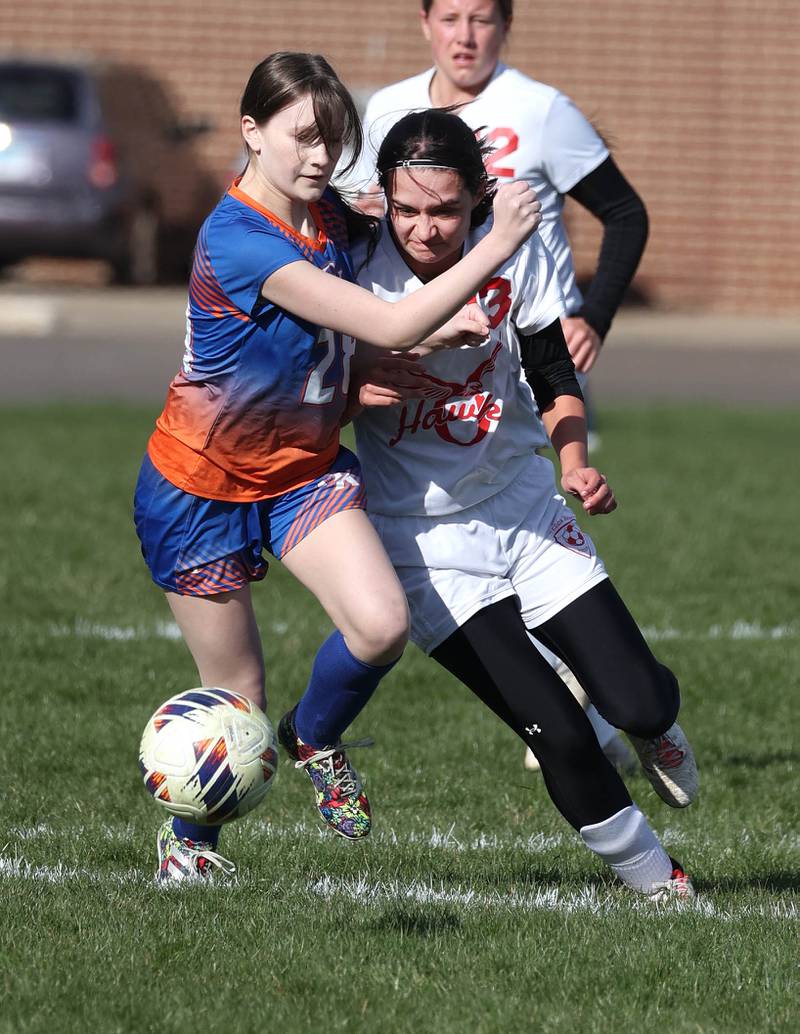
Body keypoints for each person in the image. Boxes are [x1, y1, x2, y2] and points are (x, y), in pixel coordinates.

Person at [133, 52, 542, 884]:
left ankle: (316, 735)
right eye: (303, 138)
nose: (321, 157)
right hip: (198, 487)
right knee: (235, 695)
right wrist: (495, 244)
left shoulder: (329, 218)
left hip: (300, 473)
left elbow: (397, 243)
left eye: (336, 139)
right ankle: (190, 847)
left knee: (381, 624)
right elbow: (383, 324)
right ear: (251, 132)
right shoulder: (240, 236)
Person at [349, 109, 698, 900]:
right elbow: (306, 390)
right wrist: (351, 388)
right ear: (383, 201)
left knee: (638, 700)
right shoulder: (353, 267)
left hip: (523, 506)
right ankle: (659, 885)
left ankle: (653, 729)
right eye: (407, 209)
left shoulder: (518, 252)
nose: (426, 229)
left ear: (478, 199)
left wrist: (575, 461)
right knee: (560, 734)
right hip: (422, 543)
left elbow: (550, 370)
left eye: (444, 210)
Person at [343, 0, 650, 773]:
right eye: (450, 16)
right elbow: (348, 239)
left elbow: (622, 211)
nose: (466, 34)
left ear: (506, 26)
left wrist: (594, 321)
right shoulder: (387, 112)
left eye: (482, 17)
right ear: (424, 24)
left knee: (519, 492)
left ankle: (607, 695)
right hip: (416, 397)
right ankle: (571, 714)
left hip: (512, 352)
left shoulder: (541, 111)